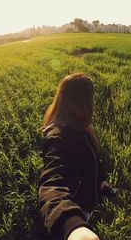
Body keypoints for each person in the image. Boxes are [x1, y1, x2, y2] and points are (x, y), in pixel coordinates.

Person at [38, 72, 116, 240]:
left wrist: (101, 183)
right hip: (77, 210)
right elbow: (51, 183)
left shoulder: (79, 127)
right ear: (82, 102)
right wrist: (73, 226)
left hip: (90, 198)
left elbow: (90, 160)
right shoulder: (58, 137)